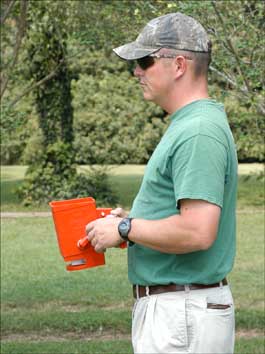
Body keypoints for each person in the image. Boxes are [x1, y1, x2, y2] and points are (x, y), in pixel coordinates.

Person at [85, 12, 238, 354]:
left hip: (182, 313)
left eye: (145, 60)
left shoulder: (198, 131)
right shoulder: (191, 124)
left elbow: (198, 231)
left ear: (179, 64)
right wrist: (127, 224)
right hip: (180, 311)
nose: (136, 71)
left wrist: (125, 228)